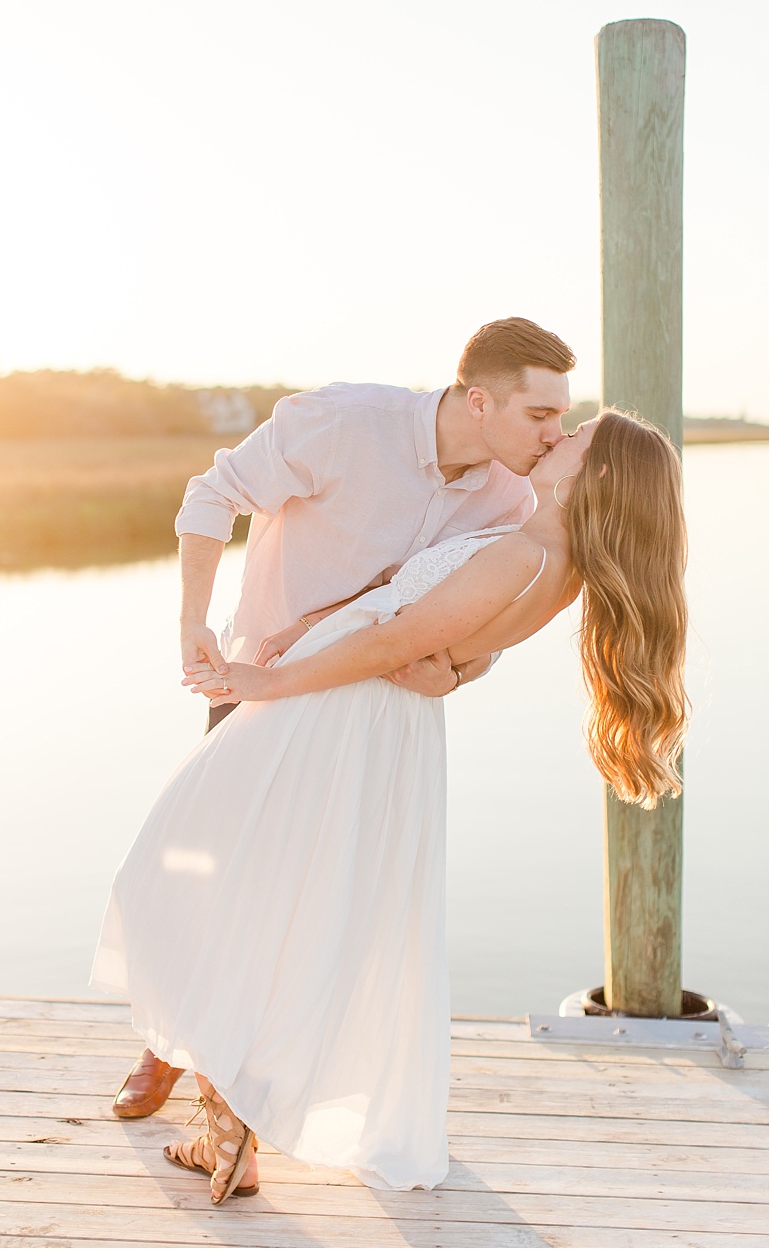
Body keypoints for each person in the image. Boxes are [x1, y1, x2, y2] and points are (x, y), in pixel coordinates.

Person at [92, 407, 688, 1200]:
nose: (556, 436)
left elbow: (394, 640)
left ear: (597, 474)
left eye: (572, 435)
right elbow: (411, 616)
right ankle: (225, 1119)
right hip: (358, 711)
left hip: (333, 713)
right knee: (253, 900)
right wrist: (307, 625)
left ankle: (227, 1126)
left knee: (191, 884)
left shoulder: (526, 550)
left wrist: (267, 683)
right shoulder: (552, 554)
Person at [108, 318, 577, 1124]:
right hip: (260, 687)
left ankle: (251, 1088)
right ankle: (167, 1049)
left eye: (560, 418)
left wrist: (459, 671)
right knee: (217, 876)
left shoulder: (515, 493)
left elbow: (475, 612)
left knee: (320, 901)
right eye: (540, 415)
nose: (555, 433)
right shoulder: (343, 421)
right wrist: (194, 618)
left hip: (371, 718)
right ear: (479, 400)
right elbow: (210, 493)